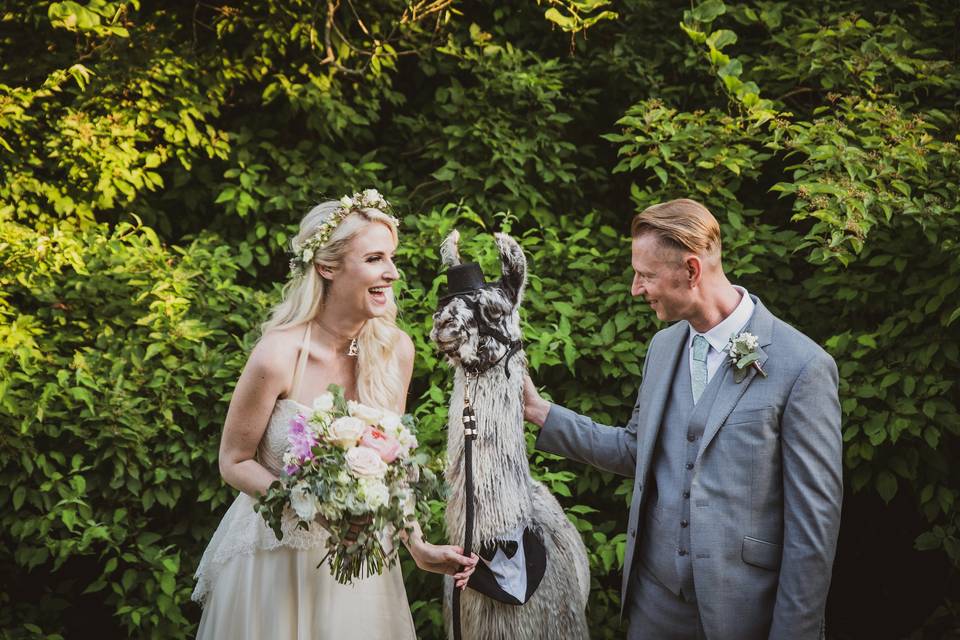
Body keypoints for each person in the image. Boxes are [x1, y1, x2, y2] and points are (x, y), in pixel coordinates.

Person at [523, 198, 842, 640]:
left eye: (647, 275)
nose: (636, 289)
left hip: (743, 611)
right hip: (654, 605)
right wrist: (540, 413)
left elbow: (814, 529)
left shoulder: (803, 367)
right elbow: (636, 450)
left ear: (691, 270)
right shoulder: (663, 348)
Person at [192, 191, 477, 639]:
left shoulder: (395, 350)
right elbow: (234, 461)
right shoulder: (278, 355)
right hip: (277, 562)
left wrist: (417, 545)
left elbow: (392, 465)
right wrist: (308, 507)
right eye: (374, 259)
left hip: (363, 565)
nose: (392, 272)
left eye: (392, 258)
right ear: (327, 267)